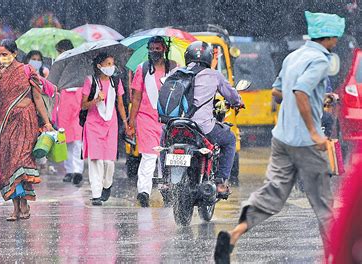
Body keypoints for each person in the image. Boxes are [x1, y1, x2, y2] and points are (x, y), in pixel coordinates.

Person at [213, 11, 345, 264]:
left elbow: (278, 92)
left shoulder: (293, 57)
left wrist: (320, 99)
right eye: (335, 38)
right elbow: (300, 92)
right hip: (305, 143)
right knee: (323, 203)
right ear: (327, 37)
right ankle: (336, 256)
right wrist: (315, 132)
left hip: (282, 139)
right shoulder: (320, 61)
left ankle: (232, 237)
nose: (336, 42)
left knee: (272, 194)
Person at [0, 39, 53, 221]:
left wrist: (46, 122)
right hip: (6, 124)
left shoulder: (27, 71)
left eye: (5, 54)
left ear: (14, 53)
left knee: (21, 160)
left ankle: (24, 202)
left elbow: (37, 98)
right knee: (9, 164)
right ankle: (16, 206)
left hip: (26, 121)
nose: (2, 58)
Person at [185, 41, 242, 197]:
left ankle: (165, 179)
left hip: (177, 125)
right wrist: (238, 102)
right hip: (202, 127)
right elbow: (231, 95)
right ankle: (220, 181)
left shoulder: (176, 72)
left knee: (165, 144)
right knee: (230, 139)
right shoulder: (214, 75)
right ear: (208, 58)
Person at [128, 36, 177, 207]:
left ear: (164, 49)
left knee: (167, 157)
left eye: (158, 48)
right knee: (148, 156)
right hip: (146, 118)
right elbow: (136, 98)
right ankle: (144, 192)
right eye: (152, 48)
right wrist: (131, 122)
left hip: (169, 120)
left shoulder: (174, 68)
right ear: (148, 50)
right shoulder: (142, 69)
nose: (155, 51)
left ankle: (168, 191)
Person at [81, 52, 128, 206]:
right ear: (99, 66)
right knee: (95, 160)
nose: (111, 67)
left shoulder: (116, 81)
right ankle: (96, 193)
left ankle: (107, 184)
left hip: (110, 124)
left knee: (109, 162)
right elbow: (83, 105)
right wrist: (96, 100)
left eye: (112, 64)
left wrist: (126, 124)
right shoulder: (90, 81)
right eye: (108, 64)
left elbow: (120, 104)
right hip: (93, 124)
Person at [52, 39, 86, 184]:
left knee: (78, 139)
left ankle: (78, 170)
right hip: (64, 101)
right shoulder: (58, 65)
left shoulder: (80, 64)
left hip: (77, 99)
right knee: (65, 139)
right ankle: (69, 170)